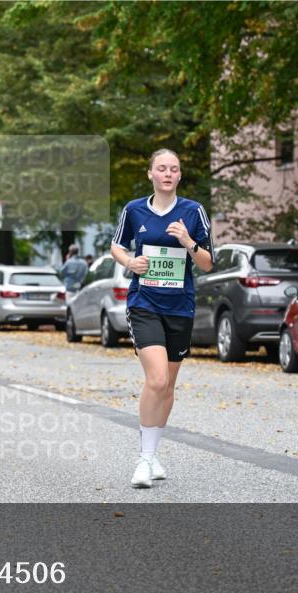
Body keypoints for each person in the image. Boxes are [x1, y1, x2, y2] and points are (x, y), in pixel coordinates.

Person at [110, 148, 214, 489]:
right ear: (151, 174)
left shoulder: (193, 211)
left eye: (174, 169)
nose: (168, 173)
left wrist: (187, 241)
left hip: (180, 306)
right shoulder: (134, 210)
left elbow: (208, 263)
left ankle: (153, 454)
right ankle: (143, 459)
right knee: (155, 380)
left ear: (179, 176)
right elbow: (117, 246)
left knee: (168, 385)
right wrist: (129, 263)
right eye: (162, 168)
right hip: (144, 303)